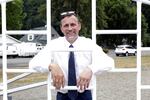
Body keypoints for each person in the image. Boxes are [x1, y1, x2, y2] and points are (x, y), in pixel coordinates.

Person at [29, 10, 114, 100]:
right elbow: (33, 63)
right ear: (61, 29)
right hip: (62, 95)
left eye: (73, 24)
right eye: (66, 25)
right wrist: (51, 66)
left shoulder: (89, 44)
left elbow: (109, 62)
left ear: (79, 26)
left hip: (84, 94)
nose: (70, 29)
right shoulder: (53, 45)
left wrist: (91, 69)